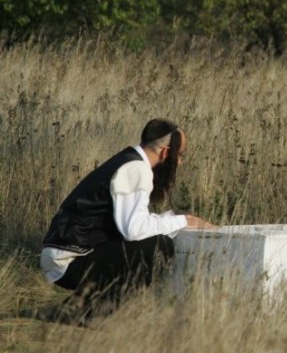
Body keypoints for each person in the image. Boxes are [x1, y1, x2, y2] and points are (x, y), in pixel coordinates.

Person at [40, 118, 216, 313]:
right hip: (70, 261)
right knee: (159, 247)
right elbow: (134, 230)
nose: (180, 163)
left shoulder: (128, 161)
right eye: (180, 155)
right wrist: (183, 221)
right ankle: (93, 313)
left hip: (67, 254)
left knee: (154, 241)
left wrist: (174, 221)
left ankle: (75, 309)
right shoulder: (136, 169)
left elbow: (132, 223)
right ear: (166, 152)